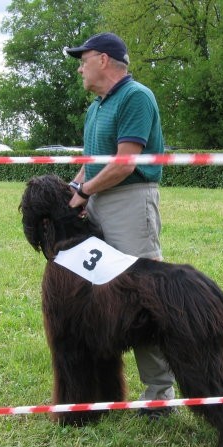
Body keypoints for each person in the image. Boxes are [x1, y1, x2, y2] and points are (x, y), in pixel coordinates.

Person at [64, 32, 175, 418]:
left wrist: (86, 190)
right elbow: (91, 161)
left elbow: (126, 160)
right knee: (96, 291)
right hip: (97, 198)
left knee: (145, 295)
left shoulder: (136, 97)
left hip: (129, 200)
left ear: (105, 60)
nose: (79, 66)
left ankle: (159, 394)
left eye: (83, 58)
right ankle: (102, 385)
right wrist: (77, 189)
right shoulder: (96, 108)